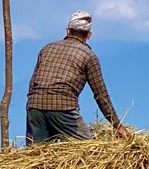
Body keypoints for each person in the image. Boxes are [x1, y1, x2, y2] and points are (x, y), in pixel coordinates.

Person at [25, 10, 130, 145]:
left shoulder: (46, 49)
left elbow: (33, 82)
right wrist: (117, 125)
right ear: (89, 35)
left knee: (36, 154)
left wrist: (33, 104)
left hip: (34, 105)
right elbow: (100, 95)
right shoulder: (89, 56)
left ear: (68, 31)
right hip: (63, 106)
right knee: (88, 149)